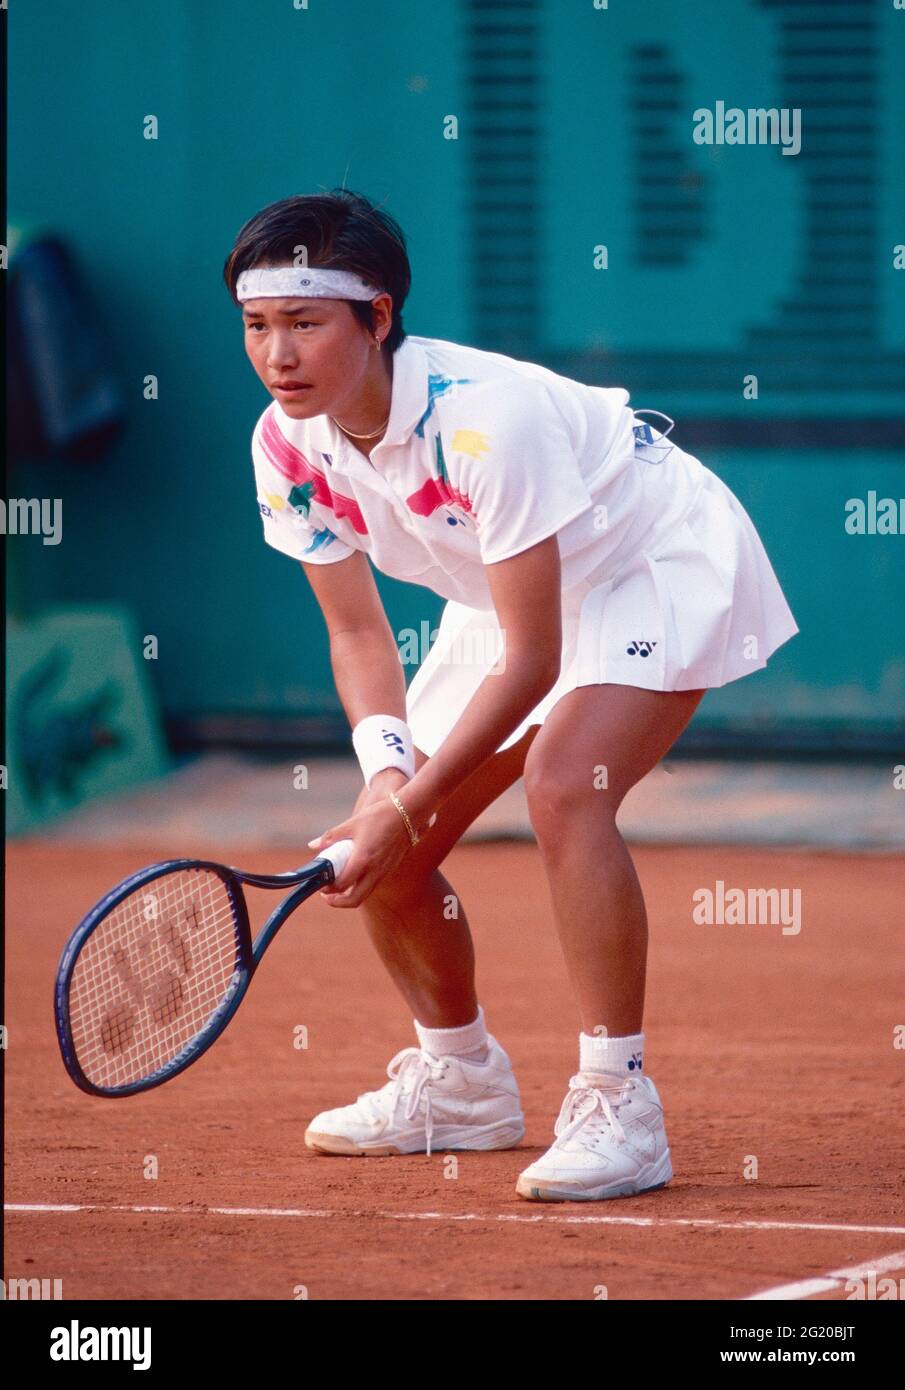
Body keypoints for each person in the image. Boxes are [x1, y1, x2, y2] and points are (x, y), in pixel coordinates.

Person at [223, 188, 799, 1202]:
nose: (278, 355)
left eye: (305, 323)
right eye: (257, 326)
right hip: (506, 591)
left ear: (378, 318)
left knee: (564, 781)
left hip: (647, 558)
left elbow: (532, 661)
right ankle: (460, 1083)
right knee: (393, 853)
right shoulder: (283, 446)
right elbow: (357, 631)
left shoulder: (486, 418)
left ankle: (619, 1104)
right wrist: (386, 776)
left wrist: (402, 805)